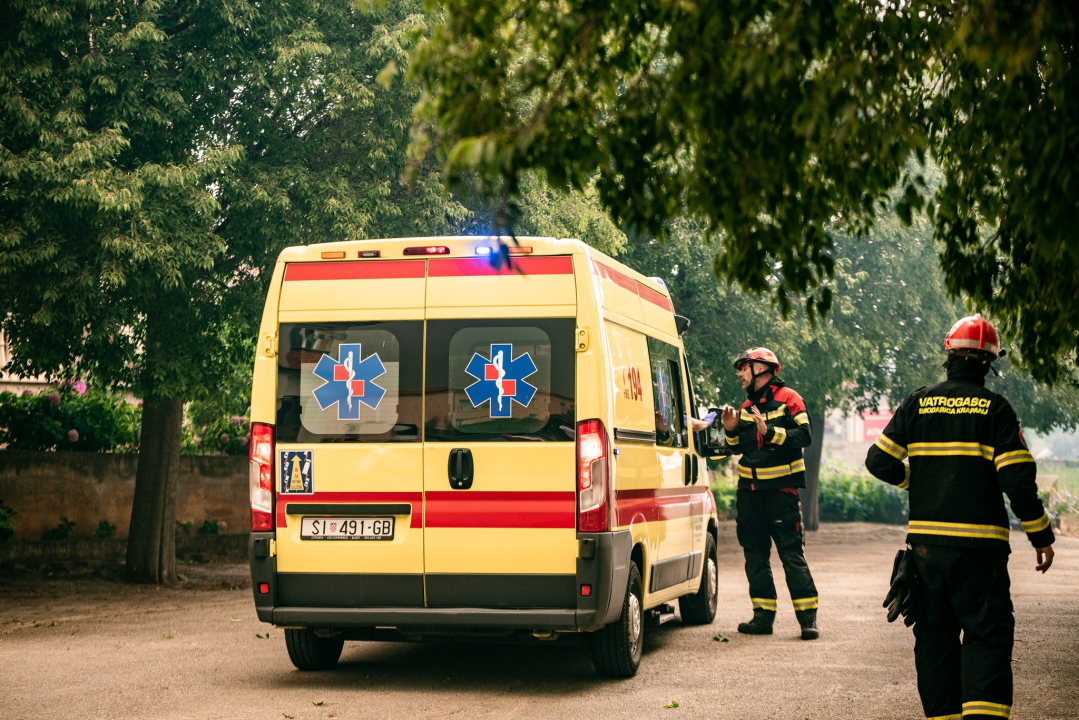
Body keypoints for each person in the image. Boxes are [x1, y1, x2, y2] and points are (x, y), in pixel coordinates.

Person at [865, 314, 1055, 720]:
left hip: (926, 550)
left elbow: (879, 460)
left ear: (948, 355)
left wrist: (916, 483)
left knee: (935, 637)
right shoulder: (996, 410)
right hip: (979, 552)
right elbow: (1016, 480)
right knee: (987, 637)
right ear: (988, 362)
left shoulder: (917, 402)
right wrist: (1040, 534)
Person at [716, 347, 819, 640]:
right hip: (749, 496)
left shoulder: (790, 399)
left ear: (760, 368)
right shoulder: (746, 406)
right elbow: (737, 449)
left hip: (780, 495)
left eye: (743, 368)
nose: (739, 374)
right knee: (755, 557)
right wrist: (731, 429)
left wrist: (771, 431)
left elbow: (805, 435)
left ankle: (807, 620)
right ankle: (762, 618)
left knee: (791, 556)